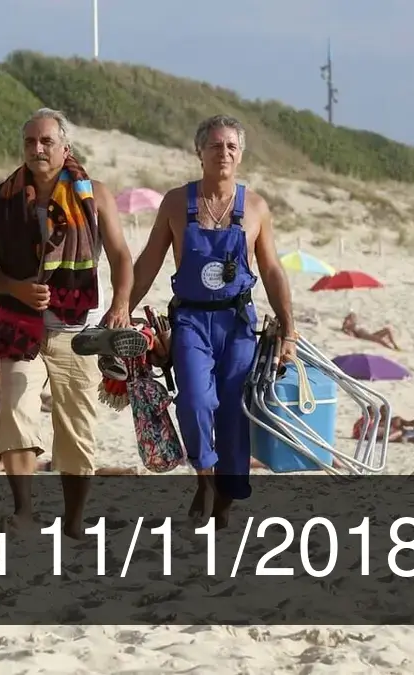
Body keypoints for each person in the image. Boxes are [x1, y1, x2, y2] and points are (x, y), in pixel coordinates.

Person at [0, 107, 144, 539]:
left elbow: (122, 257)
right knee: (15, 409)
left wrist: (121, 304)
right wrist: (16, 289)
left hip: (78, 330)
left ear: (65, 147)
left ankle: (73, 520)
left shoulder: (95, 195)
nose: (37, 148)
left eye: (46, 141)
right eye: (30, 141)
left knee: (77, 427)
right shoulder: (4, 198)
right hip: (19, 324)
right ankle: (24, 513)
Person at [127, 114, 296, 529]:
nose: (224, 153)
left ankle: (225, 499)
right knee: (194, 401)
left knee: (234, 411)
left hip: (237, 323)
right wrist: (120, 308)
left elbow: (272, 271)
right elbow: (149, 262)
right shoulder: (175, 203)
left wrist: (289, 330)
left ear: (240, 155)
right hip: (190, 321)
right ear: (199, 152)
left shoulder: (255, 207)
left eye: (231, 146)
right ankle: (204, 476)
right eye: (216, 145)